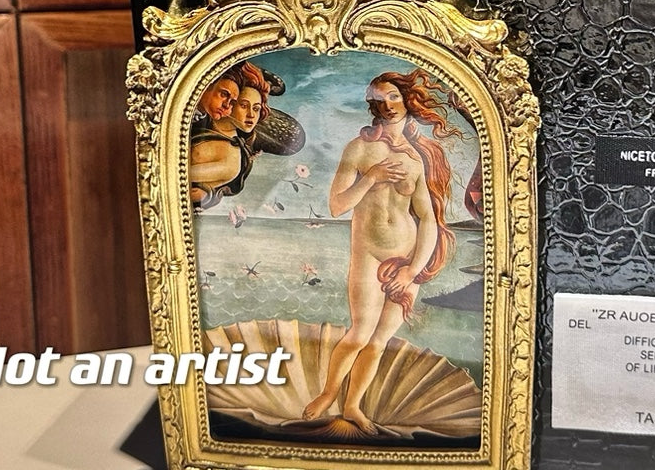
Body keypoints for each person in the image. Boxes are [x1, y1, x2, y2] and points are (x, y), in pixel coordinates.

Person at [303, 70, 459, 433]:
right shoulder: (358, 149)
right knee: (359, 334)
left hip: (406, 259)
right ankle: (329, 392)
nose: (388, 105)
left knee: (378, 341)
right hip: (369, 255)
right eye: (380, 98)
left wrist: (413, 269)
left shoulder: (416, 159)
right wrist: (371, 177)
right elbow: (337, 206)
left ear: (406, 100)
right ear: (372, 104)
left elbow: (427, 219)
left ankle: (352, 406)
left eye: (394, 97)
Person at [188, 63, 270, 209]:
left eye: (256, 109)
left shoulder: (230, 162)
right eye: (243, 105)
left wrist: (207, 194)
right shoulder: (202, 117)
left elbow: (176, 175)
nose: (251, 115)